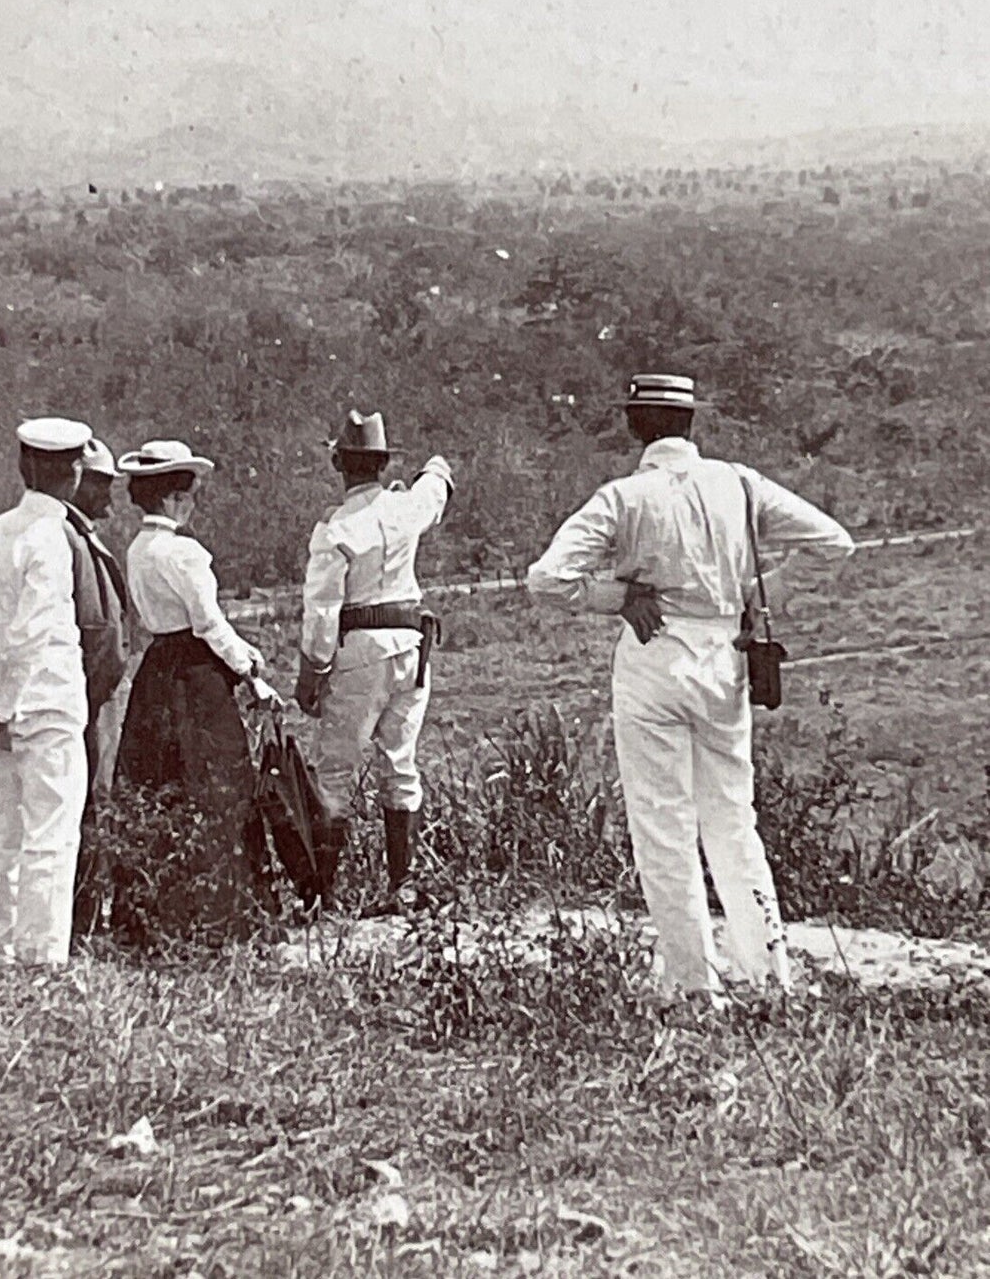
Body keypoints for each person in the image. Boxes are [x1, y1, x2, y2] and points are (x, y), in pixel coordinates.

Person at [526, 373, 855, 998]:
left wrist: (616, 596)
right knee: (732, 818)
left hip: (655, 656)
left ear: (634, 425)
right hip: (725, 659)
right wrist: (759, 598)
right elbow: (833, 544)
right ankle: (769, 979)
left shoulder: (622, 497)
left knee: (663, 827)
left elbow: (546, 579)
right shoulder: (738, 483)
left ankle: (693, 989)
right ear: (691, 423)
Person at [111, 438, 274, 943]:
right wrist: (251, 670)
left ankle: (156, 913)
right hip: (197, 677)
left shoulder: (138, 549)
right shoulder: (183, 552)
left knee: (159, 779)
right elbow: (209, 623)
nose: (193, 504)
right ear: (173, 499)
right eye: (190, 495)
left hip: (158, 671)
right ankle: (224, 915)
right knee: (216, 784)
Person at [294, 410, 454, 914]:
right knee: (400, 765)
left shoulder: (335, 529)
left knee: (335, 769)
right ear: (384, 464)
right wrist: (428, 475)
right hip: (411, 647)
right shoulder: (408, 508)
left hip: (360, 650)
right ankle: (400, 887)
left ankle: (322, 896)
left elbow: (321, 611)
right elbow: (439, 481)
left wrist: (311, 675)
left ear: (338, 462)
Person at [0, 417, 91, 967]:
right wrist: (1, 704)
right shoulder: (51, 538)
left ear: (22, 466)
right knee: (51, 837)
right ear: (74, 473)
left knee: (3, 833)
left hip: (4, 708)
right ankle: (41, 957)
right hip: (47, 703)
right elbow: (31, 631)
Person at [64, 436, 129, 939]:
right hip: (85, 699)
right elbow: (93, 630)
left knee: (97, 800)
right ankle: (80, 920)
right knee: (86, 803)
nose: (111, 494)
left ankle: (87, 914)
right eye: (101, 483)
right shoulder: (67, 537)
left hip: (97, 697)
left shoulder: (83, 535)